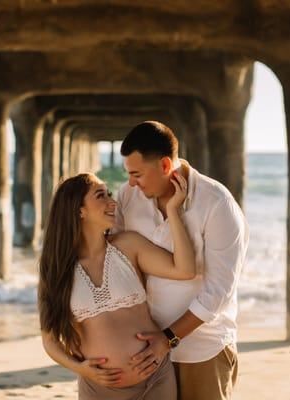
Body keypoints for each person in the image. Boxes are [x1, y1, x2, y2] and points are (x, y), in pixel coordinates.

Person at [115, 121, 250, 400]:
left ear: (165, 166)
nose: (131, 183)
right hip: (143, 351)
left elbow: (218, 293)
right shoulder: (128, 197)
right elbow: (114, 264)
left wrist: (167, 339)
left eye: (137, 174)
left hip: (203, 351)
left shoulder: (217, 204)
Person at [38, 172, 197, 399]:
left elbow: (185, 270)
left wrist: (173, 211)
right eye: (101, 195)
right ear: (78, 210)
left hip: (156, 379)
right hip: (99, 389)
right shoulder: (55, 270)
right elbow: (50, 341)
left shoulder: (128, 246)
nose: (112, 202)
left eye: (110, 194)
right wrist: (81, 369)